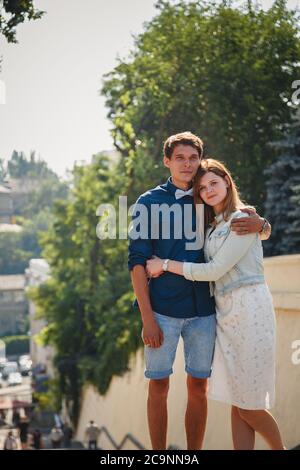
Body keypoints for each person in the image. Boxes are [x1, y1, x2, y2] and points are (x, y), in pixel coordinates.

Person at [128, 132, 270, 450]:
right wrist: (147, 318)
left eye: (193, 158)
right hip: (162, 310)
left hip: (204, 311)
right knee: (159, 385)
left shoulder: (206, 197)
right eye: (180, 157)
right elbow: (137, 263)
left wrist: (262, 224)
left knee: (198, 387)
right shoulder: (148, 203)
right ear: (167, 161)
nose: (187, 164)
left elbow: (238, 218)